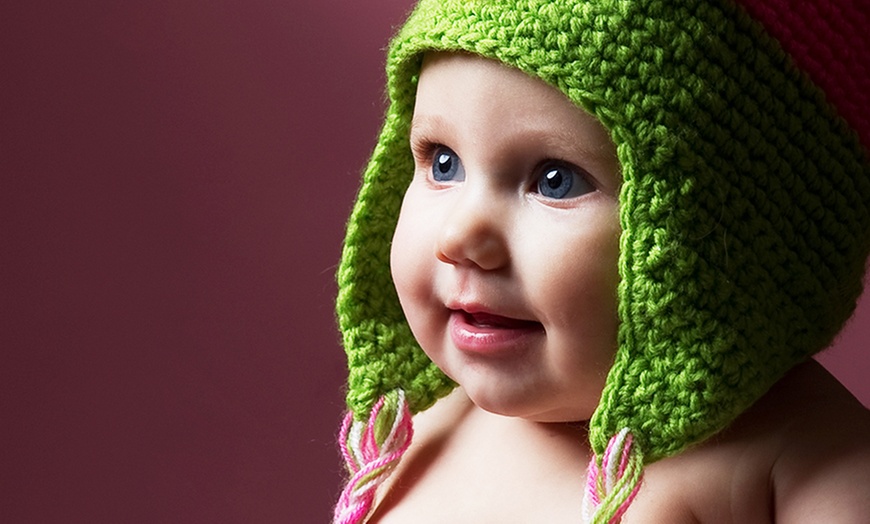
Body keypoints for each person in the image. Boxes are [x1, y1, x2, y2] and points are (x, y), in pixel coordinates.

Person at [332, 0, 870, 522]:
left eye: (554, 180)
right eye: (443, 164)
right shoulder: (415, 436)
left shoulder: (801, 462)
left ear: (730, 233)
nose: (461, 236)